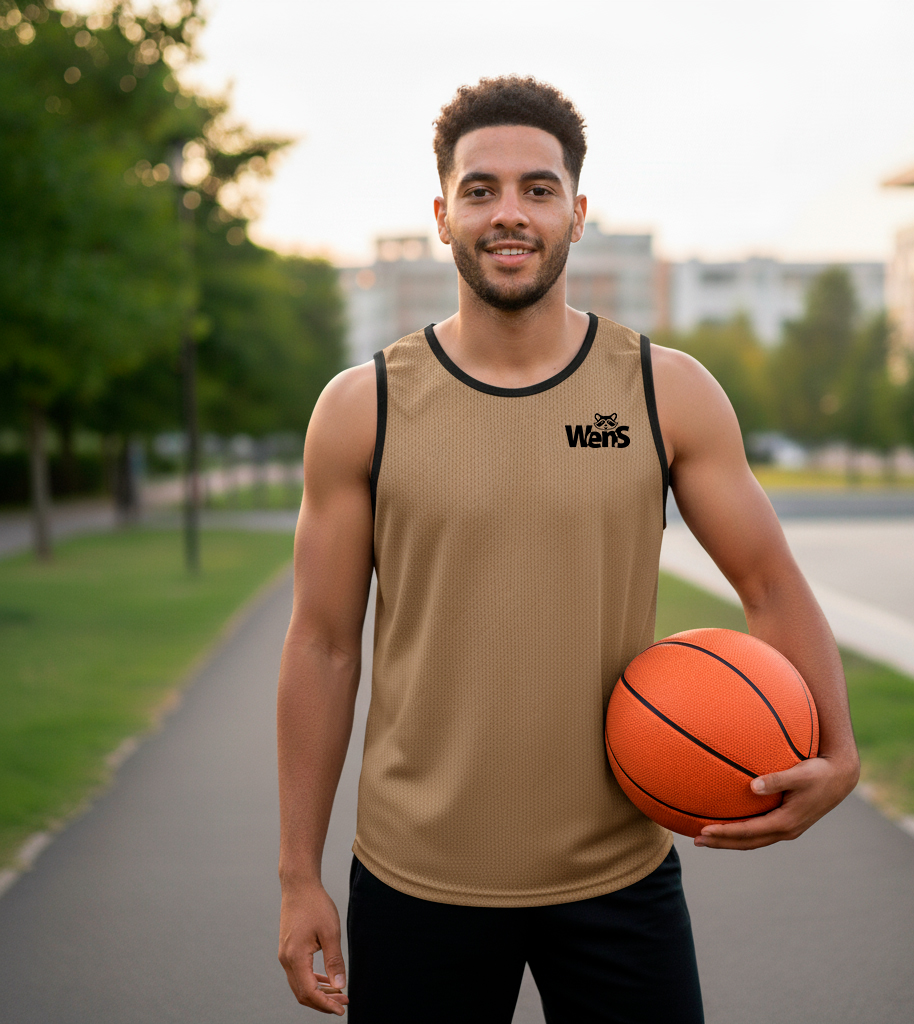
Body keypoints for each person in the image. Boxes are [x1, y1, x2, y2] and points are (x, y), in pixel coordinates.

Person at [276, 76, 860, 1022]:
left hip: (617, 875)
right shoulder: (362, 407)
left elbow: (767, 580)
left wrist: (839, 753)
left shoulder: (664, 391)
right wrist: (299, 873)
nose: (510, 213)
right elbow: (322, 644)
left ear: (578, 213)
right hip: (417, 876)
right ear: (442, 214)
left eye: (538, 190)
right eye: (481, 190)